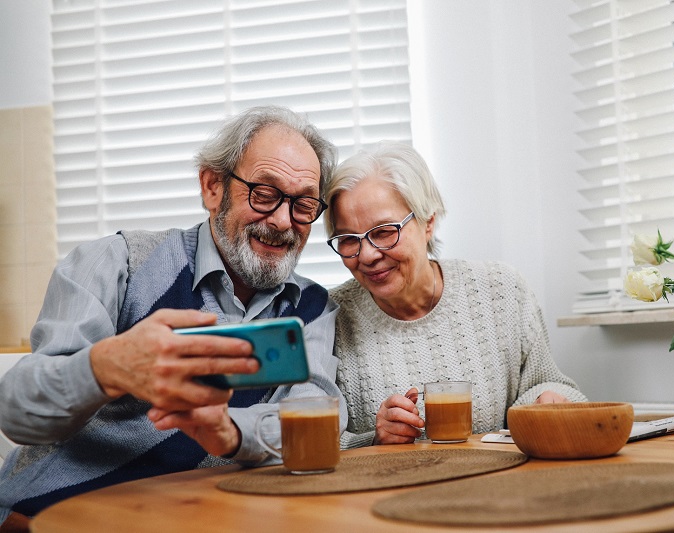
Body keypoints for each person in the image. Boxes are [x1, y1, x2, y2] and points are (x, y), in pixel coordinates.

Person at [0, 106, 346, 527]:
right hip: (49, 517)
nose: (282, 220)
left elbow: (319, 418)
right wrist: (105, 368)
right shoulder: (116, 264)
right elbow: (15, 410)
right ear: (212, 186)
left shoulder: (311, 308)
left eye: (304, 204)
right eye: (264, 193)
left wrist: (229, 432)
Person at [323, 141, 587, 449]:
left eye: (384, 232)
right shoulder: (329, 318)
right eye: (347, 239)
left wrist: (546, 400)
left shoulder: (501, 290)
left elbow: (548, 382)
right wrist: (374, 438)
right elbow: (310, 441)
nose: (366, 255)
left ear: (428, 222)